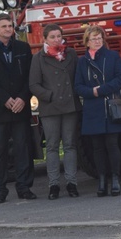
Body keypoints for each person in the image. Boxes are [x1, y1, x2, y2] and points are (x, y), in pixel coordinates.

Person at [0, 13, 36, 203]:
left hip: (21, 108)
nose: (8, 29)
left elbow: (30, 77)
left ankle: (24, 187)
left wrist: (22, 98)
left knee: (23, 149)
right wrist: (5, 99)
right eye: (4, 26)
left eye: (10, 26)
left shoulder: (23, 48)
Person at [74, 25, 121, 197]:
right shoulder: (82, 62)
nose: (97, 41)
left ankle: (116, 179)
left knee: (112, 144)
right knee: (97, 147)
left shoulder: (112, 56)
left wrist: (101, 90)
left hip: (110, 105)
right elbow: (78, 86)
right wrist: (92, 92)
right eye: (93, 39)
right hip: (92, 108)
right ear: (87, 42)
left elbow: (120, 78)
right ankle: (102, 179)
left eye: (99, 38)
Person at [29, 23, 81, 200]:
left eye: (59, 36)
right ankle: (53, 185)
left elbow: (78, 76)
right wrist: (49, 96)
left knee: (70, 145)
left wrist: (74, 93)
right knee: (51, 147)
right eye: (52, 37)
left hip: (70, 105)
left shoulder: (71, 54)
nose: (56, 39)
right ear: (45, 39)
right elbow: (33, 84)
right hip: (50, 107)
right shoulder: (38, 58)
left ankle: (72, 183)